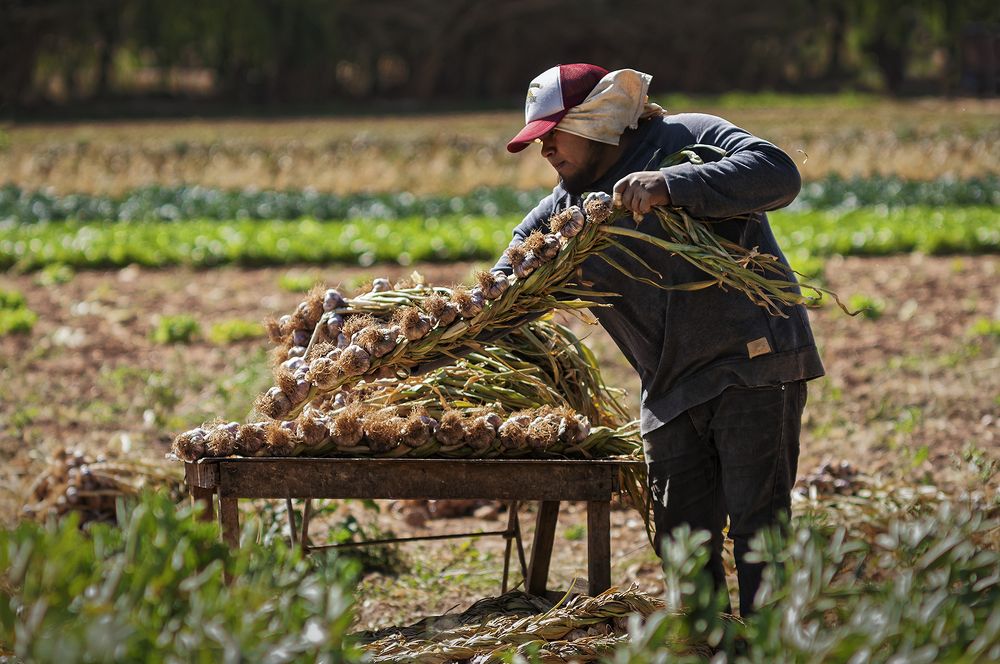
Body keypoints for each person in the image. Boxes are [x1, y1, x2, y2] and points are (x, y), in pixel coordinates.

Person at [492, 63, 824, 616]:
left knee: (760, 536)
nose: (545, 150)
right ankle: (709, 648)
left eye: (554, 134)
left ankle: (771, 647)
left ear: (597, 119)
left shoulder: (683, 138)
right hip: (669, 390)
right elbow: (503, 283)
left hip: (753, 366)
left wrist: (672, 185)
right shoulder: (564, 212)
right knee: (683, 551)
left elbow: (778, 173)